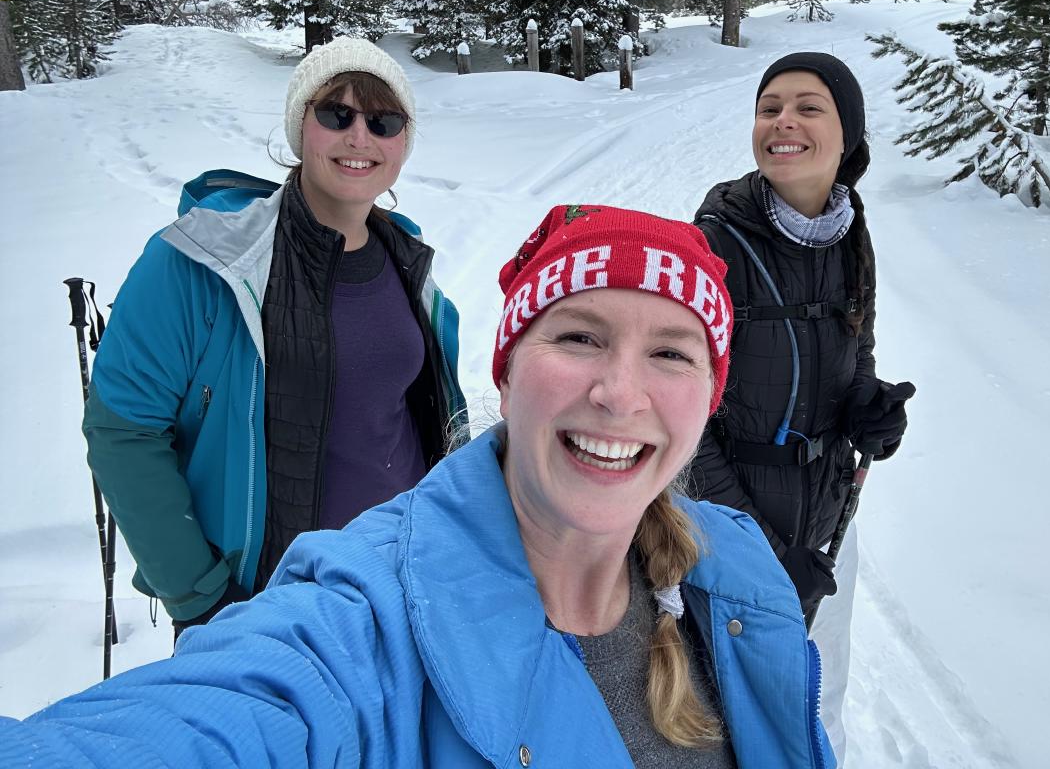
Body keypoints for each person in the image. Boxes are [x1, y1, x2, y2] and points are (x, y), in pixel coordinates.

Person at [2, 204, 835, 769]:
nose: (620, 393)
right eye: (579, 336)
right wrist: (197, 589)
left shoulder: (735, 571)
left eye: (671, 352)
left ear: (709, 397)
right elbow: (230, 713)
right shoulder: (363, 624)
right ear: (506, 378)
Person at [81, 36, 467, 636]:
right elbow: (123, 431)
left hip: (401, 589)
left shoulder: (407, 259)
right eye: (336, 114)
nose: (359, 136)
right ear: (300, 126)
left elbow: (425, 420)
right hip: (267, 608)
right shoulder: (203, 261)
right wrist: (201, 599)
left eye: (384, 121)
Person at [690, 52, 916, 766]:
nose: (782, 121)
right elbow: (680, 419)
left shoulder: (851, 232)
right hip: (722, 531)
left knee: (818, 692)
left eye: (808, 106)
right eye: (769, 106)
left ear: (847, 135)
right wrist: (760, 554)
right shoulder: (712, 241)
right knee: (716, 707)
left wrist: (869, 410)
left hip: (826, 521)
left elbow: (857, 346)